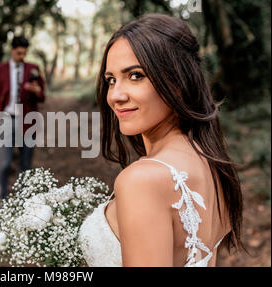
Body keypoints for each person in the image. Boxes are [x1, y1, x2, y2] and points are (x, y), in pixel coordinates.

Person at [78, 14, 245, 267]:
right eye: (111, 80)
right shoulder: (211, 162)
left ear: (178, 82)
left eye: (135, 76)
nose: (115, 95)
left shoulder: (142, 181)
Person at [0, 36, 45, 204]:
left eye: (24, 53)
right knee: (4, 165)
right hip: (6, 119)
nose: (21, 56)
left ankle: (23, 208)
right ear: (12, 50)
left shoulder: (33, 69)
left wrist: (36, 90)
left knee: (26, 167)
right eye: (18, 52)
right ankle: (0, 209)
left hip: (28, 121)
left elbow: (42, 96)